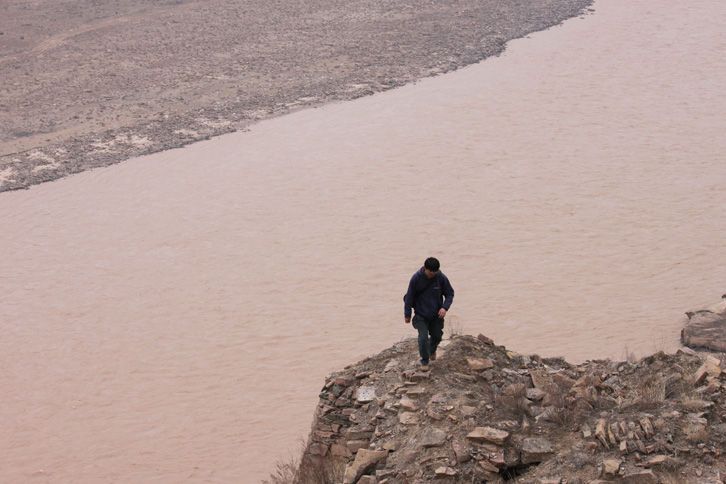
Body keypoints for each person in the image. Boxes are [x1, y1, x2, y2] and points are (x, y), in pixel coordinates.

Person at [403, 257, 455, 366]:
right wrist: (407, 314)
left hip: (436, 315)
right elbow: (409, 297)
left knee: (437, 336)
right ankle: (424, 361)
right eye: (430, 272)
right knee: (423, 338)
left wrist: (444, 308)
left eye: (434, 272)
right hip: (420, 315)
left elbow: (449, 294)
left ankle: (432, 350)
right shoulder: (416, 278)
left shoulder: (441, 278)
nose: (432, 274)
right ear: (425, 268)